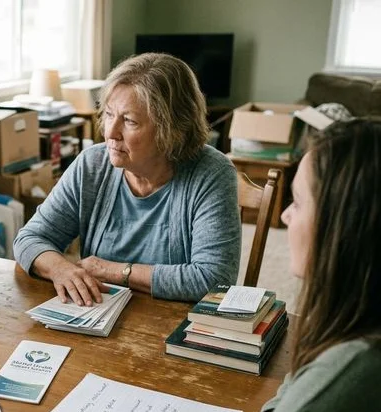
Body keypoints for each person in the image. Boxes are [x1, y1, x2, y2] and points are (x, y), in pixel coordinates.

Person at [191, 118, 381, 412]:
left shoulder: (356, 367)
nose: (283, 217)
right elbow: (299, 380)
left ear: (344, 227)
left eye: (298, 202)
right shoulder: (353, 325)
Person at [13, 53, 240, 305]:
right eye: (109, 114)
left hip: (174, 327)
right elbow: (29, 239)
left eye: (129, 121)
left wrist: (112, 271)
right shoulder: (91, 165)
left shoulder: (212, 173)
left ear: (171, 129)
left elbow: (215, 279)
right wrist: (61, 269)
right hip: (97, 317)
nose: (110, 132)